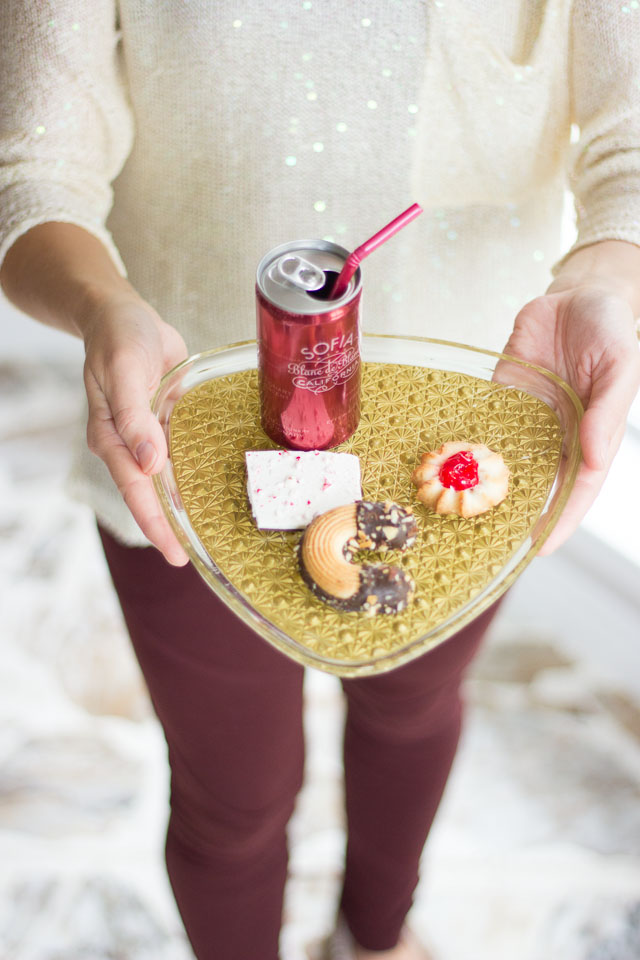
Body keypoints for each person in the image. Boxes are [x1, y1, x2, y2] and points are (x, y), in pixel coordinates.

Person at [1, 2, 639, 958]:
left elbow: (626, 142)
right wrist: (103, 307)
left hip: (471, 423)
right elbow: (32, 176)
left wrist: (611, 277)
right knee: (233, 800)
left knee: (414, 711)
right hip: (177, 451)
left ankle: (376, 939)